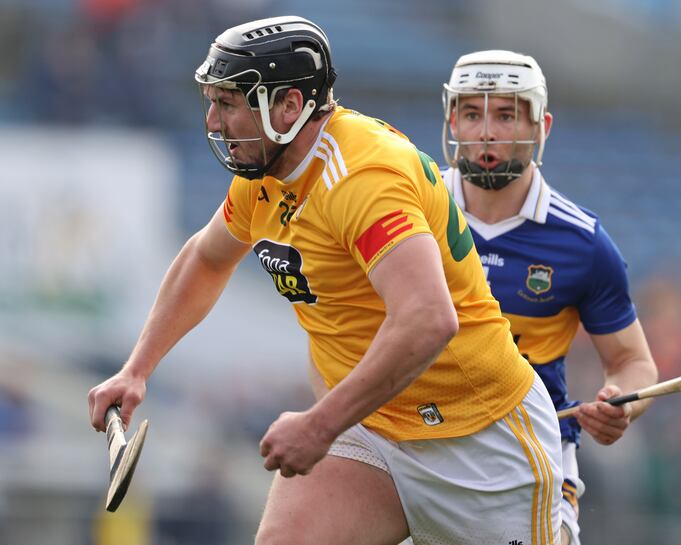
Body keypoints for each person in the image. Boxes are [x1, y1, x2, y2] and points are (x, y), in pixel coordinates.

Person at [88, 17, 564, 545]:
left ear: (289, 107)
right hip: (369, 428)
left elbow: (428, 319)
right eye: (212, 102)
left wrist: (319, 425)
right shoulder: (266, 173)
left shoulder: (363, 179)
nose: (214, 122)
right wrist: (137, 369)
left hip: (479, 438)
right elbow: (206, 258)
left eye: (228, 103)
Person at [439, 50, 659, 545]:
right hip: (416, 440)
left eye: (506, 114)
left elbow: (632, 362)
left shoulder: (582, 243)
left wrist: (620, 405)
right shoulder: (409, 212)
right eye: (473, 114)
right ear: (452, 119)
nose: (487, 133)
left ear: (543, 127)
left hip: (531, 450)